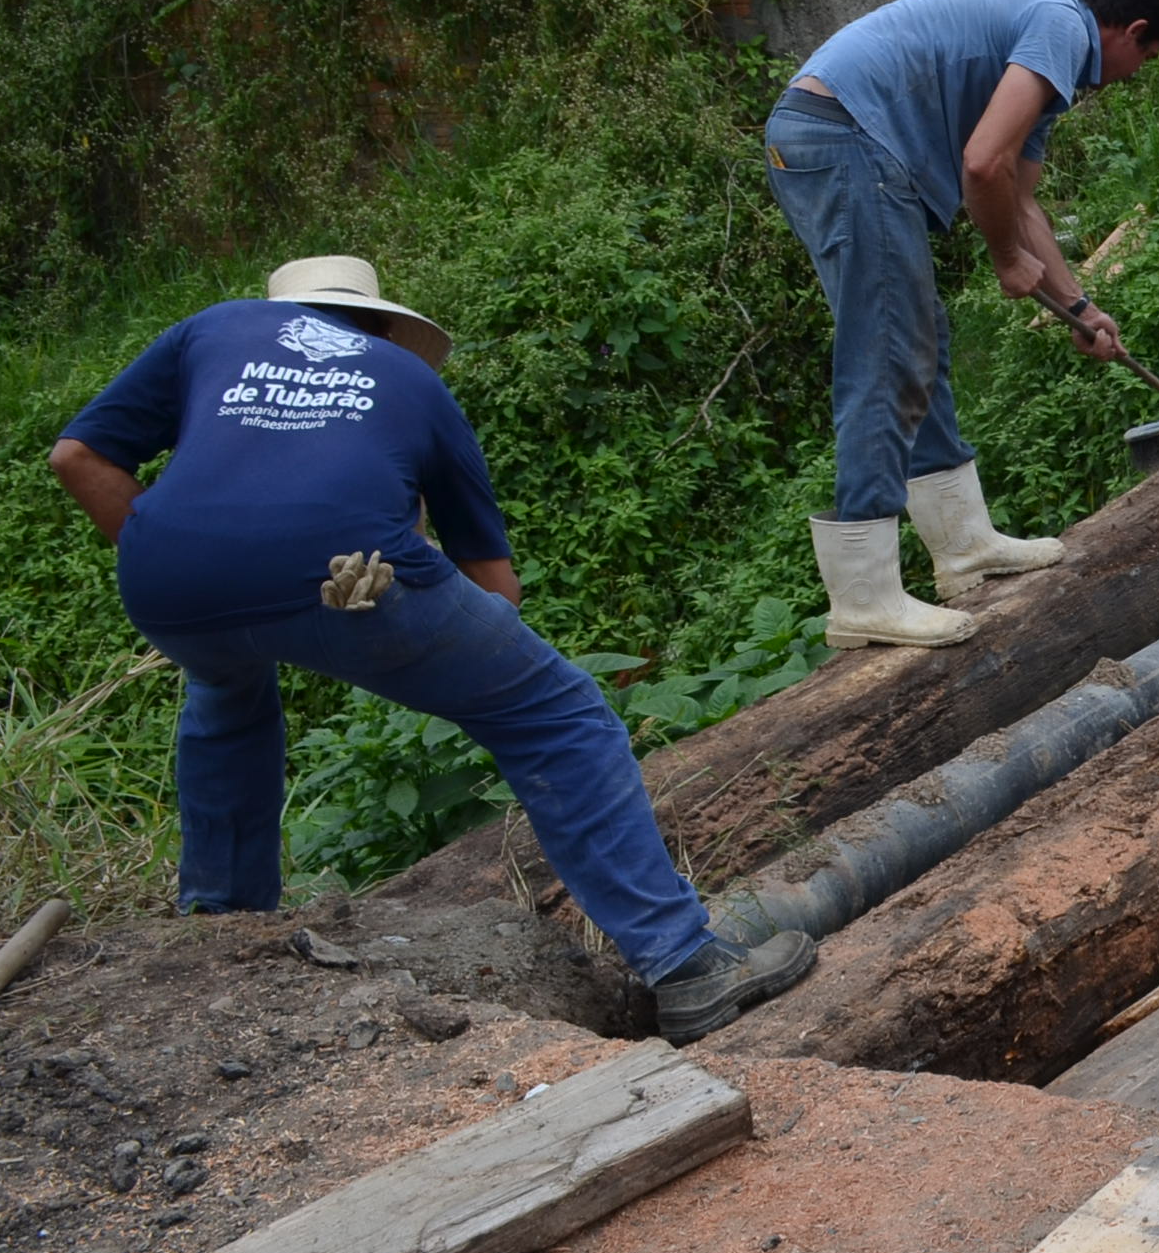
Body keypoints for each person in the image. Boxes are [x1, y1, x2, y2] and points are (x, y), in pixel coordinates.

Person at [47, 257, 811, 1042]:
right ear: (383, 325)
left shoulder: (211, 330)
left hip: (168, 581)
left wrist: (178, 560)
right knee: (555, 713)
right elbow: (497, 590)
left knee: (224, 696)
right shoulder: (409, 380)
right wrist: (413, 625)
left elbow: (77, 458)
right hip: (359, 574)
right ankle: (686, 965)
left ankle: (220, 937)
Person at [765, 0, 1159, 652]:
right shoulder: (1061, 26)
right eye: (1149, 57)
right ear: (1131, 30)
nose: (1138, 76)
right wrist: (1002, 260)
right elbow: (982, 165)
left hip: (836, 135)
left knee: (916, 335)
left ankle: (963, 546)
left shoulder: (1048, 56)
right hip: (841, 135)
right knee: (889, 350)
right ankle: (864, 598)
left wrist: (1079, 307)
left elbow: (1019, 201)